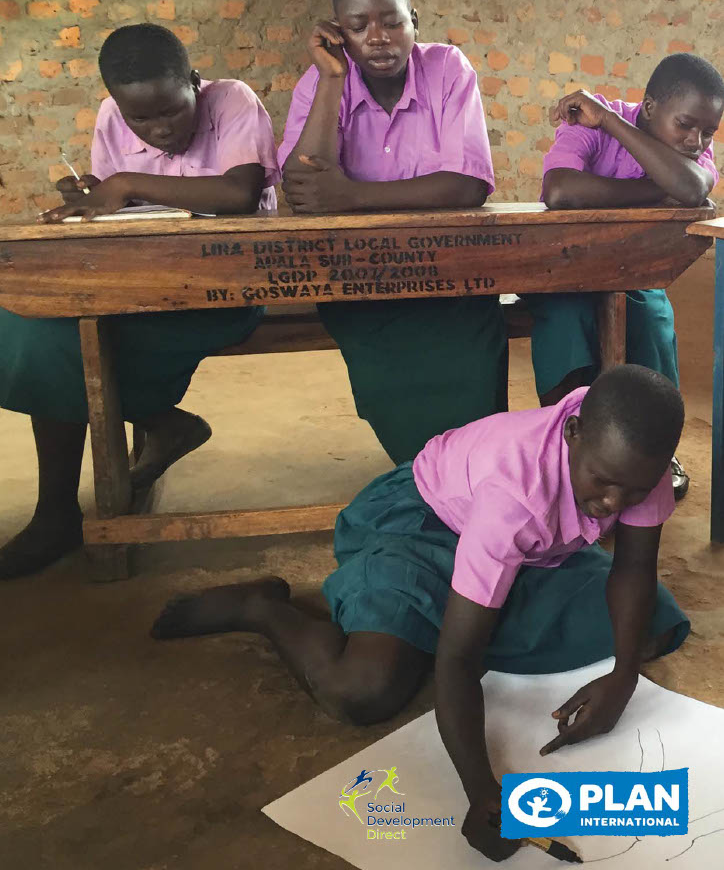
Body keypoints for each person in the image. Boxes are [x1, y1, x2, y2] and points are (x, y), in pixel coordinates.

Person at [152, 364, 689, 863]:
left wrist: (623, 678)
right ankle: (262, 607)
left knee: (653, 622)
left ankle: (446, 613)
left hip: (532, 552)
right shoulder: (515, 495)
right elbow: (457, 661)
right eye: (602, 482)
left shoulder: (634, 460)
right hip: (423, 524)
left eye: (635, 490)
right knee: (363, 689)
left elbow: (634, 570)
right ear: (572, 435)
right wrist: (484, 796)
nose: (615, 503)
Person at [0, 23, 279, 578]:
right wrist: (92, 204)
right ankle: (142, 440)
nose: (159, 130)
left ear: (195, 83)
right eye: (140, 120)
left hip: (228, 289)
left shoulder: (233, 102)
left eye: (172, 112)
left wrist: (128, 182)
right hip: (139, 285)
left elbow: (239, 193)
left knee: (64, 339)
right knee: (32, 321)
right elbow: (118, 213)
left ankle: (63, 508)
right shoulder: (110, 117)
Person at [276, 0, 508, 464]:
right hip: (359, 281)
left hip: (452, 279)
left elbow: (467, 185)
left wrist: (349, 196)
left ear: (415, 21)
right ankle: (425, 475)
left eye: (392, 22)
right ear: (338, 34)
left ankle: (470, 477)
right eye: (358, 27)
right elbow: (303, 185)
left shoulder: (447, 69)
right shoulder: (319, 85)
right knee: (392, 390)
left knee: (470, 377)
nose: (378, 38)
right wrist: (333, 75)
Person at [527, 53, 724, 500]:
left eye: (708, 132)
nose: (696, 141)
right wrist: (659, 188)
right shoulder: (588, 119)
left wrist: (615, 125)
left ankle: (652, 447)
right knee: (564, 323)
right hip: (566, 271)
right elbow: (560, 190)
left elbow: (692, 188)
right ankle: (570, 445)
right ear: (651, 107)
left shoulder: (683, 148)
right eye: (686, 126)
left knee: (652, 320)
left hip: (635, 276)